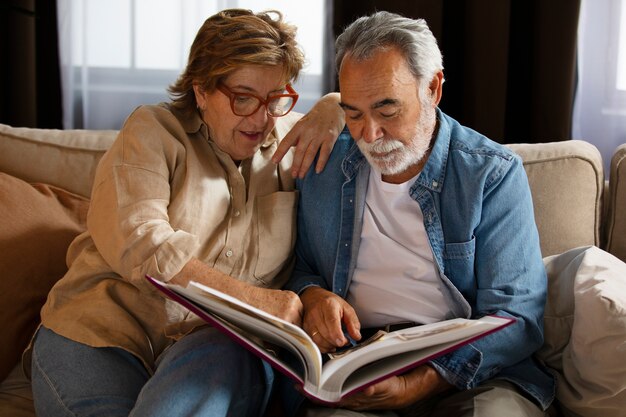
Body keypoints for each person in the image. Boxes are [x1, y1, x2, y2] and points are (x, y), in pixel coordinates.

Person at [28, 9, 344, 417]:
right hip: (99, 333)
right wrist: (256, 301)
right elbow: (145, 245)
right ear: (201, 90)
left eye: (276, 98)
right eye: (243, 98)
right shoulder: (152, 132)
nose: (262, 118)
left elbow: (362, 116)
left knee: (217, 364)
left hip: (208, 346)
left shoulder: (290, 144)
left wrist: (336, 104)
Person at [281, 11, 555, 417]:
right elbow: (301, 266)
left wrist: (422, 382)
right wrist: (314, 294)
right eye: (353, 113)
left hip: (473, 369)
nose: (369, 135)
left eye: (387, 110)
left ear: (434, 87)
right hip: (359, 362)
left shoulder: (490, 174)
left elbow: (516, 317)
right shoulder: (323, 163)